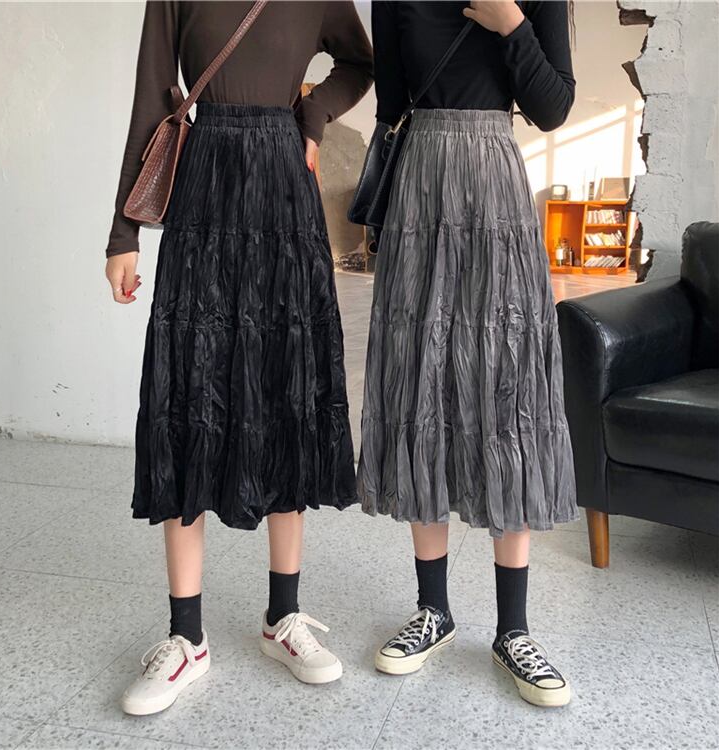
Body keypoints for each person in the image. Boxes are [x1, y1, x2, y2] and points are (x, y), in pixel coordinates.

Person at [104, 1, 372, 715]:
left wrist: (313, 116)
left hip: (284, 194)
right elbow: (151, 96)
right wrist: (123, 233)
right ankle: (186, 636)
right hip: (204, 192)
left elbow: (359, 62)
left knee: (286, 389)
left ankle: (284, 616)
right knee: (187, 395)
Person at [358, 0, 578, 708]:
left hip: (496, 193)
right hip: (420, 195)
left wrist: (511, 23)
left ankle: (514, 630)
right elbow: (392, 103)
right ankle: (434, 610)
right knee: (421, 383)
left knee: (507, 394)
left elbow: (553, 108)